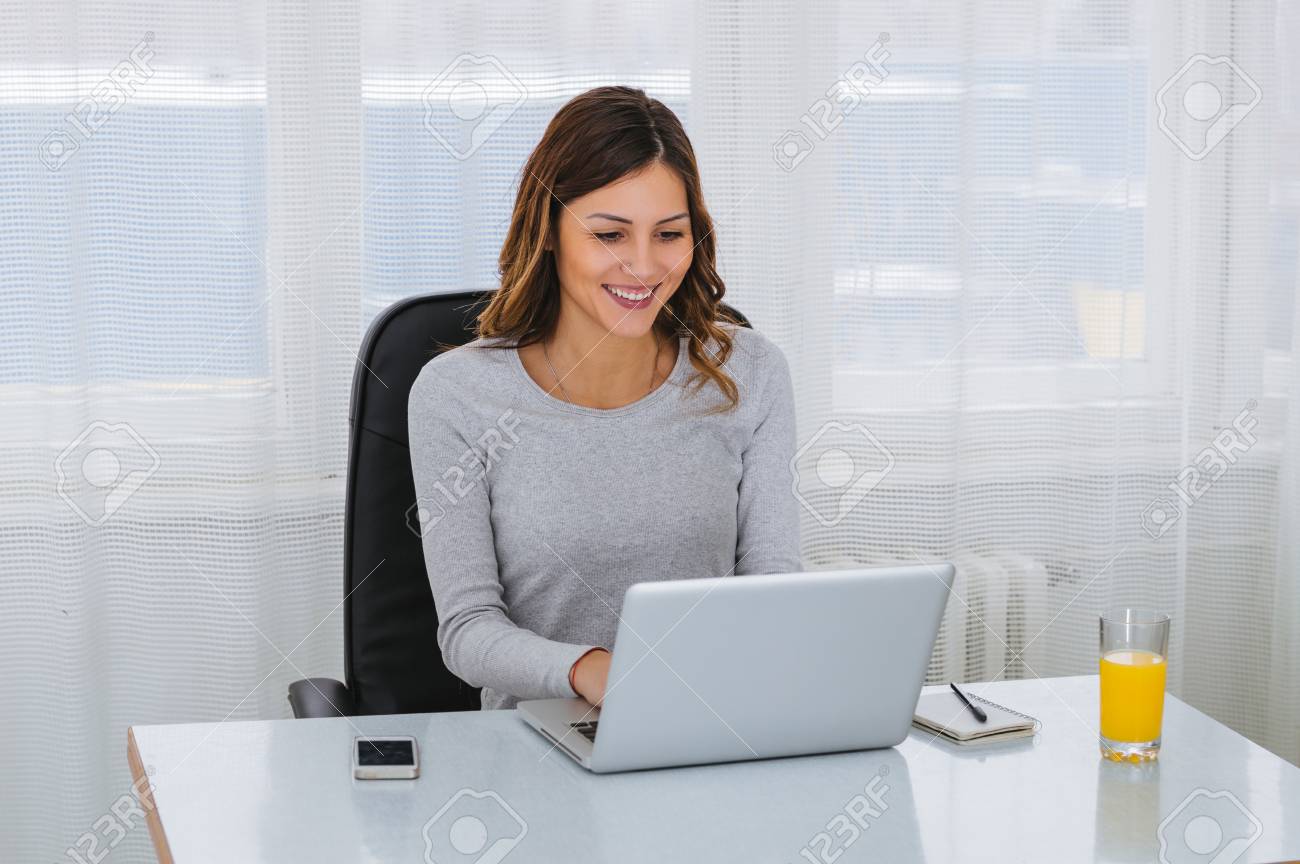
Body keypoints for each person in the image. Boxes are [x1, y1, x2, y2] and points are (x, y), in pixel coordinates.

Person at [408, 85, 800, 711]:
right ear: (549, 231)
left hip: (710, 726)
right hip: (537, 743)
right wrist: (593, 671)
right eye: (610, 235)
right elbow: (468, 631)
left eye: (668, 234)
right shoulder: (458, 394)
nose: (643, 265)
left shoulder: (750, 373)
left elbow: (775, 593)